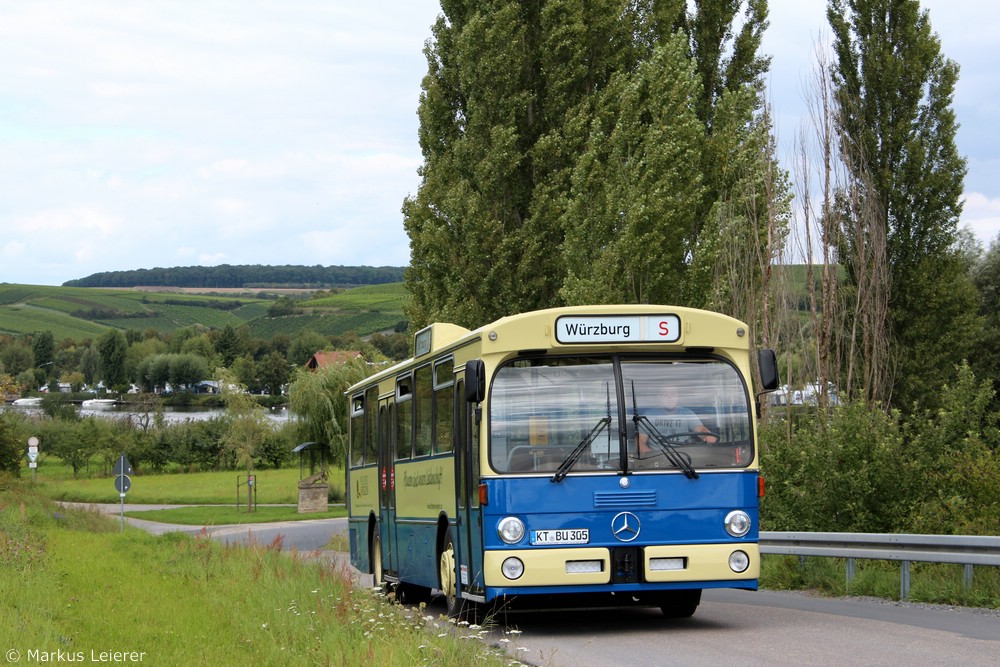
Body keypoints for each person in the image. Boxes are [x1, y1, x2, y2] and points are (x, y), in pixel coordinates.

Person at [637, 384, 717, 455]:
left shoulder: (687, 413)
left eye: (673, 394)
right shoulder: (648, 416)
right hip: (658, 459)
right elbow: (640, 441)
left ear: (677, 397)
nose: (670, 397)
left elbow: (700, 430)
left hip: (685, 458)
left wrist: (707, 435)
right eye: (665, 395)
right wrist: (651, 455)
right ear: (659, 397)